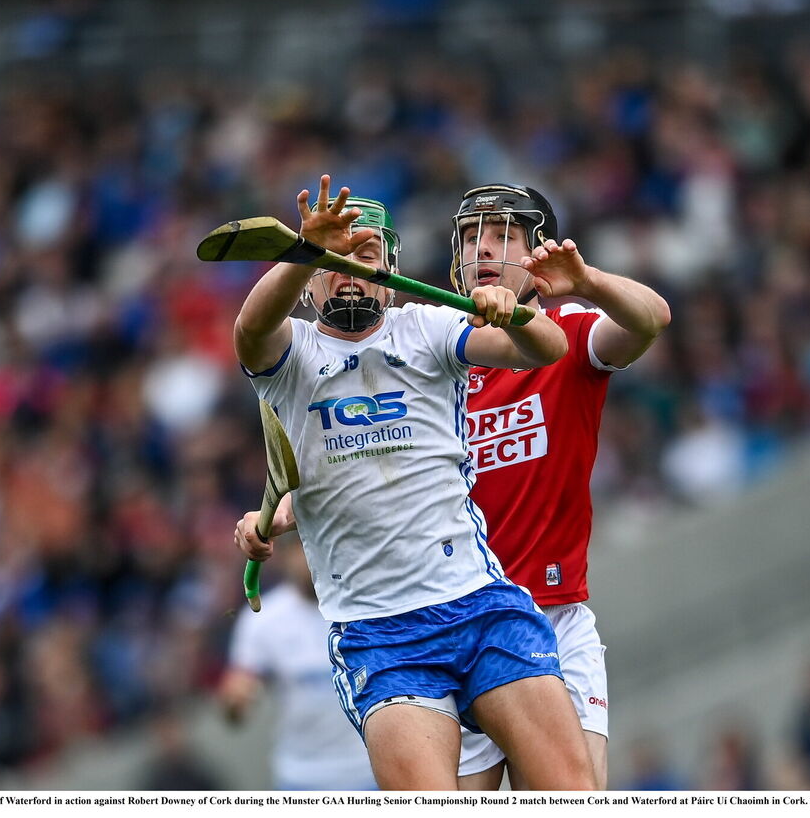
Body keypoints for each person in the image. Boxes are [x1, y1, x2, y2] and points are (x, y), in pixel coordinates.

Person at [231, 175, 595, 790]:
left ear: (390, 267)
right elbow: (250, 327)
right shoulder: (289, 355)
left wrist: (516, 317)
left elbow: (549, 348)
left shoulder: (427, 327)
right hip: (382, 637)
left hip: (481, 604)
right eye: (332, 262)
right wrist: (301, 249)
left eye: (366, 257)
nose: (349, 271)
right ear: (312, 282)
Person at [448, 183, 671, 790]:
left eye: (502, 236)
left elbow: (652, 320)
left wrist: (589, 282)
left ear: (537, 252)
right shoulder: (436, 351)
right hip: (459, 630)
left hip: (555, 620)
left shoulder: (571, 331)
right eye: (472, 237)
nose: (483, 250)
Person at [218, 536, 378, 790]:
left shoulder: (369, 605)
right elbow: (235, 701)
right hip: (301, 776)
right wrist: (235, 700)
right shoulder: (263, 618)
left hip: (371, 769)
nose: (309, 559)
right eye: (301, 549)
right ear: (283, 557)